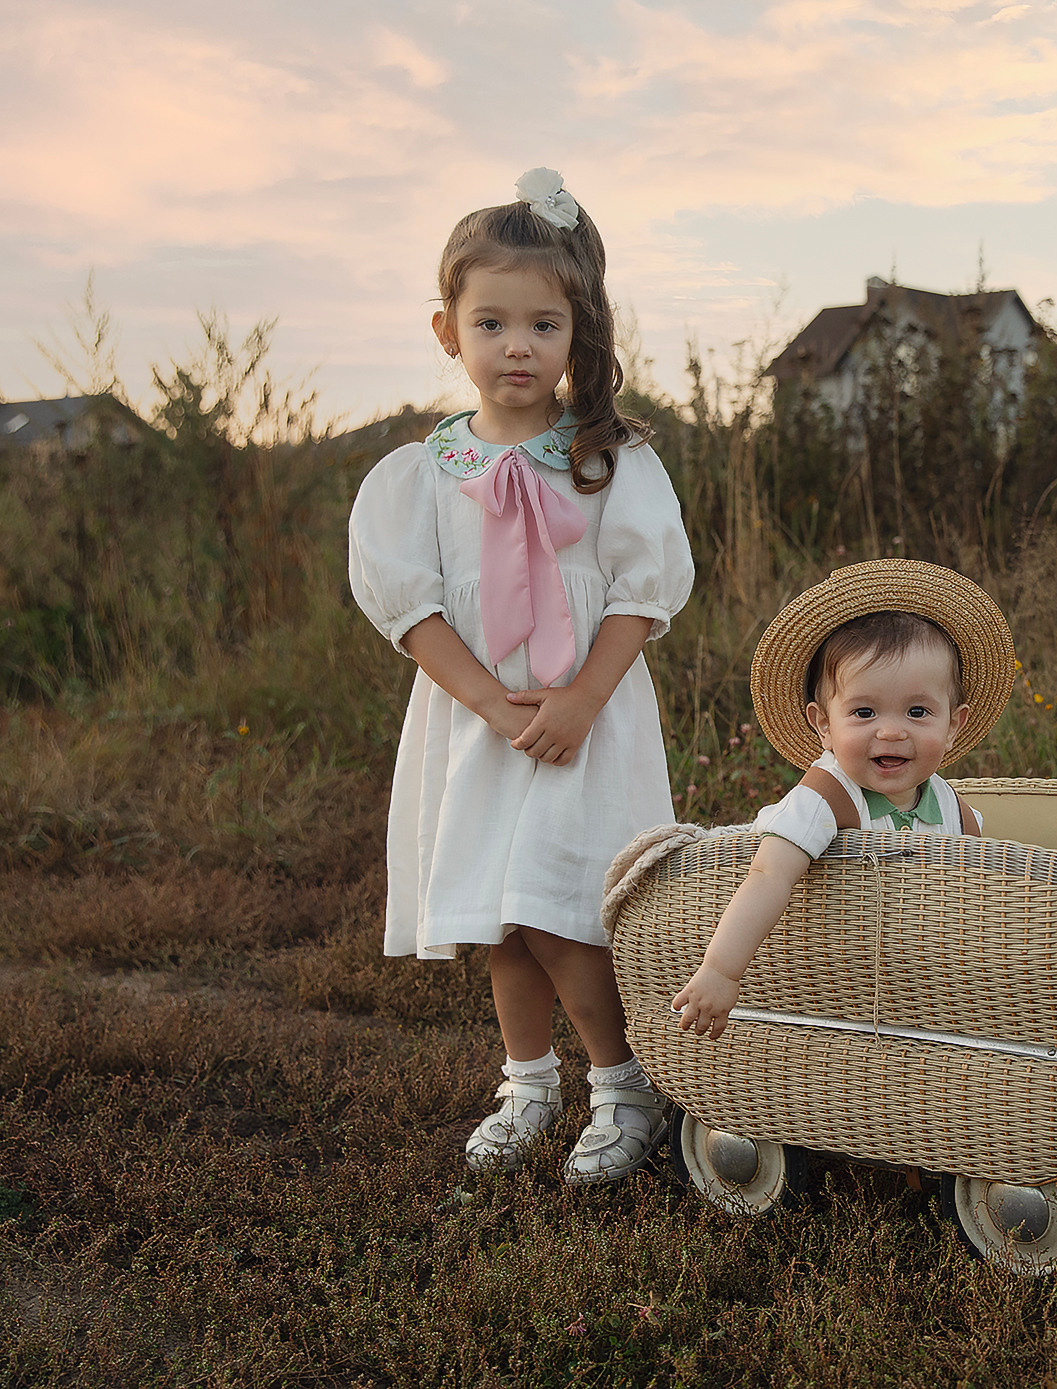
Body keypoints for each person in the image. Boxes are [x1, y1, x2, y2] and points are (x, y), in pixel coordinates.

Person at [348, 169, 693, 1181]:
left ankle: (623, 1087)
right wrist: (492, 706)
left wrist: (581, 699)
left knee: (560, 905)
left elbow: (643, 589)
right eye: (491, 322)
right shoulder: (421, 475)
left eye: (544, 325)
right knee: (499, 911)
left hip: (585, 716)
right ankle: (527, 1080)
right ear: (445, 330)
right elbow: (411, 612)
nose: (517, 346)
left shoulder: (607, 458)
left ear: (579, 336)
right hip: (476, 720)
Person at [672, 560, 1014, 1039]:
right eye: (864, 711)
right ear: (823, 724)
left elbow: (974, 899)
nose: (892, 730)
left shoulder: (955, 810)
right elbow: (768, 875)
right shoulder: (825, 798)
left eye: (918, 712)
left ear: (953, 725)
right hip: (820, 974)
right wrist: (722, 972)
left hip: (903, 985)